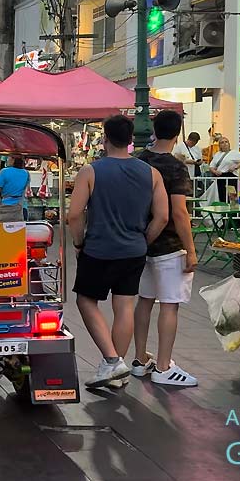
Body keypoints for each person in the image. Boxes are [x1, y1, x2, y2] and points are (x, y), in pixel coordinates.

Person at [67, 115, 169, 388]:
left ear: (106, 137)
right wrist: (143, 240)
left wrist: (78, 244)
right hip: (134, 251)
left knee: (86, 301)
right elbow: (162, 217)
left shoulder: (91, 171)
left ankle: (112, 362)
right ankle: (115, 371)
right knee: (124, 306)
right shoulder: (152, 174)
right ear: (131, 138)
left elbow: (74, 215)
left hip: (99, 249)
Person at [134, 110, 199, 387]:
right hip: (170, 245)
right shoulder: (175, 167)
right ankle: (163, 367)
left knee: (144, 300)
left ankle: (139, 360)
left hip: (140, 243)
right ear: (177, 134)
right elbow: (179, 213)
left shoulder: (138, 161)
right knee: (169, 305)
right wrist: (191, 250)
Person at [0, 155, 31, 223]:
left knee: (3, 230)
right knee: (17, 230)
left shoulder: (4, 172)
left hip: (5, 207)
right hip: (20, 207)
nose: (7, 160)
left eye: (8, 158)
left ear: (13, 159)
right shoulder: (26, 173)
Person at [207, 137, 240, 202]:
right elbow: (211, 166)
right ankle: (223, 211)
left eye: (226, 142)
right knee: (222, 195)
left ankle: (234, 211)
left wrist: (236, 166)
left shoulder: (234, 153)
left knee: (232, 195)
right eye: (222, 142)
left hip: (230, 177)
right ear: (219, 145)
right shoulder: (217, 154)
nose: (224, 144)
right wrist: (215, 172)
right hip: (220, 177)